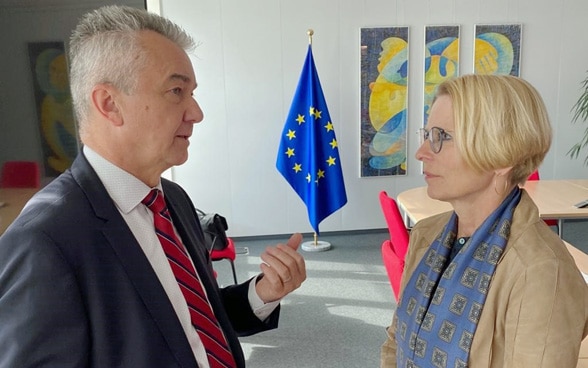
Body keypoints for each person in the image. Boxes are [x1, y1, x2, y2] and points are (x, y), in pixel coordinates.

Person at [0, 5, 306, 368]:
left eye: (192, 92)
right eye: (176, 90)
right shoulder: (44, 240)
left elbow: (190, 319)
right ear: (109, 104)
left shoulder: (171, 199)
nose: (196, 112)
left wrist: (262, 294)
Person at [380, 74, 588, 367]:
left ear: (502, 156)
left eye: (444, 137)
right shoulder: (428, 235)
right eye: (427, 135)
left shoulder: (541, 273)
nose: (421, 153)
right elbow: (396, 345)